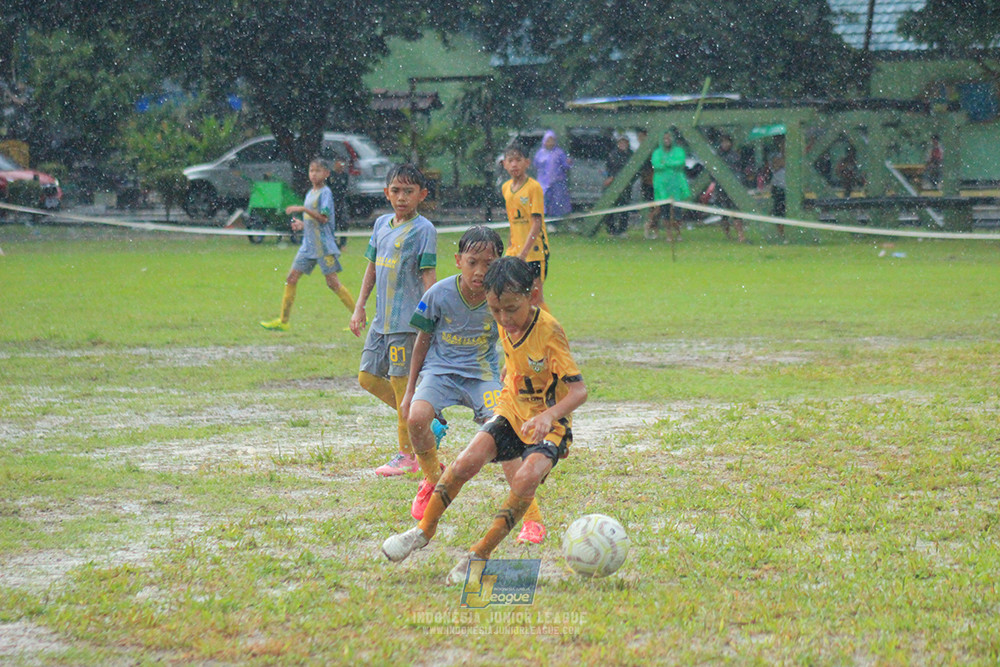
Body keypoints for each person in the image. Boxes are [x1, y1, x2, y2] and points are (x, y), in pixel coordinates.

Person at [382, 256, 587, 583]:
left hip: (550, 427)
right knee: (465, 463)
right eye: (495, 311)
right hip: (511, 412)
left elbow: (579, 391)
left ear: (531, 296)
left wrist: (548, 416)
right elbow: (517, 360)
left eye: (510, 309)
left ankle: (479, 554)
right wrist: (511, 375)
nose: (503, 319)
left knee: (524, 480)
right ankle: (422, 531)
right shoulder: (507, 324)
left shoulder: (549, 331)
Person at [401, 226, 547, 543]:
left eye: (488, 263)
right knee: (416, 418)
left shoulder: (504, 298)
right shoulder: (438, 294)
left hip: (482, 375)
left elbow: (519, 337)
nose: (480, 271)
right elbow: (421, 341)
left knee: (505, 437)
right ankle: (432, 479)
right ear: (458, 260)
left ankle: (531, 519)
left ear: (498, 263)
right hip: (439, 373)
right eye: (472, 262)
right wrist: (410, 390)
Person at [349, 164, 438, 476]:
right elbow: (371, 268)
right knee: (367, 378)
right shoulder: (381, 225)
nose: (402, 197)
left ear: (421, 195)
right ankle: (427, 420)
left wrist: (433, 314)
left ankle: (408, 455)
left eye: (409, 192)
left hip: (406, 323)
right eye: (396, 191)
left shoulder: (424, 230)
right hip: (379, 321)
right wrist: (359, 306)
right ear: (386, 193)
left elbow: (429, 275)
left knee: (403, 388)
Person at [260, 158, 354, 331]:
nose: (313, 174)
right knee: (291, 278)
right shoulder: (310, 193)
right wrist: (302, 225)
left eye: (318, 170)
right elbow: (313, 221)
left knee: (333, 283)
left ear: (326, 173)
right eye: (311, 170)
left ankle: (359, 319)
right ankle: (283, 321)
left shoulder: (325, 193)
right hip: (308, 246)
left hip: (323, 246)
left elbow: (324, 218)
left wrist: (302, 210)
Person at [500, 142, 550, 312]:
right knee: (509, 292)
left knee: (535, 298)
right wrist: (510, 248)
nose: (514, 164)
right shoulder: (506, 188)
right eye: (510, 160)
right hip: (514, 251)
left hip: (534, 252)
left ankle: (548, 333)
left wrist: (524, 253)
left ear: (527, 163)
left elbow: (536, 223)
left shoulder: (533, 188)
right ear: (504, 164)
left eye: (518, 160)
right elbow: (512, 221)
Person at [648, 130, 692, 241]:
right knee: (665, 212)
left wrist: (666, 163)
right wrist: (670, 164)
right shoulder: (657, 152)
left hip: (676, 185)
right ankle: (668, 234)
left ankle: (678, 232)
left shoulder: (679, 151)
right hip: (662, 186)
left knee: (677, 212)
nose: (667, 140)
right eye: (664, 138)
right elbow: (656, 165)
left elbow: (680, 162)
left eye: (669, 138)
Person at [533, 130, 572, 217]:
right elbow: (536, 164)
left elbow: (565, 166)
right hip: (543, 182)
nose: (550, 143)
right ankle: (545, 220)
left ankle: (556, 221)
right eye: (548, 140)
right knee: (544, 200)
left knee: (557, 201)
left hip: (557, 182)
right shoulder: (540, 153)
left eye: (552, 140)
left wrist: (569, 163)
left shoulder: (559, 153)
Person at [714, 134, 746, 243]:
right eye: (723, 142)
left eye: (727, 142)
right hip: (721, 187)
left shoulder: (735, 156)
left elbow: (739, 171)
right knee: (724, 213)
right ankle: (728, 235)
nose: (725, 144)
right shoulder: (717, 156)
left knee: (736, 211)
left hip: (733, 187)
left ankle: (741, 235)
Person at [603, 134, 634, 237]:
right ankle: (611, 230)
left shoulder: (631, 155)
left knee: (624, 208)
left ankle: (622, 230)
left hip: (626, 186)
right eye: (621, 142)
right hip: (613, 185)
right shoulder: (613, 154)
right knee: (610, 207)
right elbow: (609, 168)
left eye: (624, 142)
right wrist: (611, 177)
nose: (622, 144)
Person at [636, 129, 657, 238]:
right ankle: (649, 227)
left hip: (655, 183)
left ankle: (651, 227)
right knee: (652, 207)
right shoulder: (639, 153)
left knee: (657, 208)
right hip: (647, 184)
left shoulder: (652, 151)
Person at [769, 136, 787, 241]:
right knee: (779, 211)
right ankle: (780, 234)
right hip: (779, 187)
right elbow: (775, 165)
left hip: (789, 188)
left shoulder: (795, 156)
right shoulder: (775, 156)